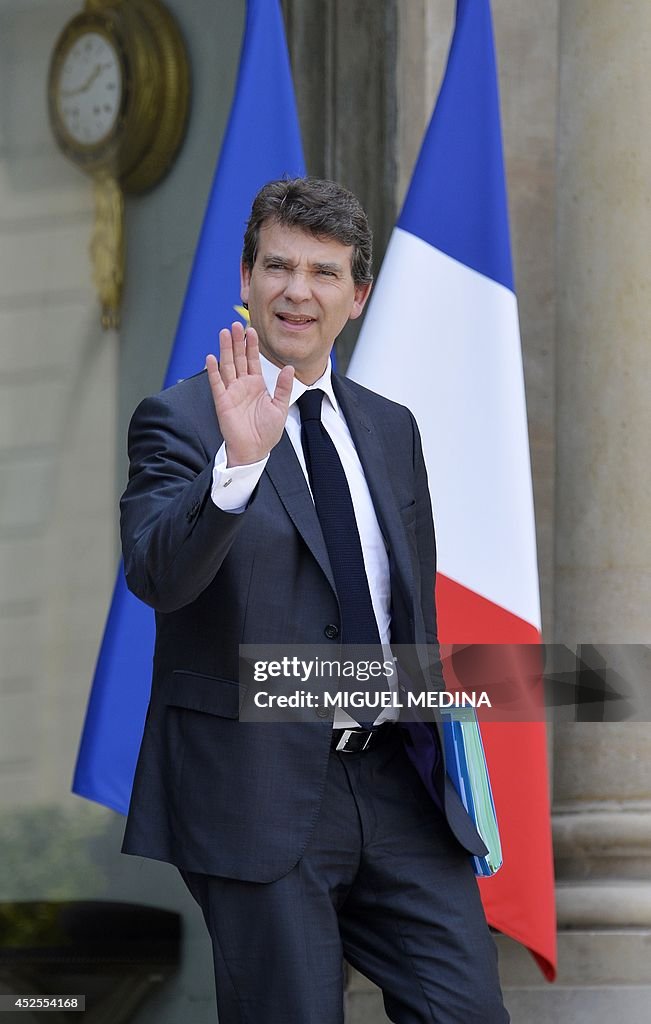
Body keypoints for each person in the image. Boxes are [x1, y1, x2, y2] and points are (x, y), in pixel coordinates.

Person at [120, 177, 509, 1023]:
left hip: (398, 787)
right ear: (246, 279)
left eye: (324, 273)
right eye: (278, 267)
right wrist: (238, 470)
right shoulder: (181, 420)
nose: (298, 291)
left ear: (357, 296)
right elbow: (156, 575)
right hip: (258, 797)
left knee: (468, 1010)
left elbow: (411, 612)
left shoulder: (389, 427)